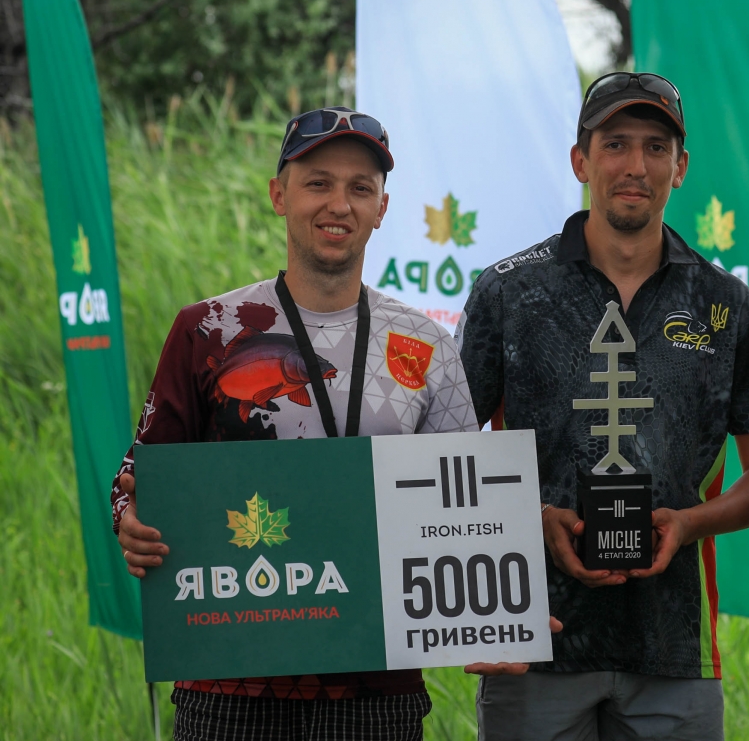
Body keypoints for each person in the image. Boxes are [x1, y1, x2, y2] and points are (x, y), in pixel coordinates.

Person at [111, 106, 523, 740]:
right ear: (279, 195)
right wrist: (129, 519)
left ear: (382, 208)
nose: (339, 204)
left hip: (375, 687)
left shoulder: (425, 345)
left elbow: (466, 508)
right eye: (318, 183)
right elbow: (137, 476)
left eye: (361, 188)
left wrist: (500, 619)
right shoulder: (209, 330)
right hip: (228, 680)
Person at [457, 72, 749, 740]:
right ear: (581, 160)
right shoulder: (508, 293)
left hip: (674, 650)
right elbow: (448, 459)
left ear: (680, 168)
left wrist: (688, 524)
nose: (636, 166)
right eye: (615, 145)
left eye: (656, 147)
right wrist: (530, 519)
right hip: (532, 642)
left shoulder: (726, 305)